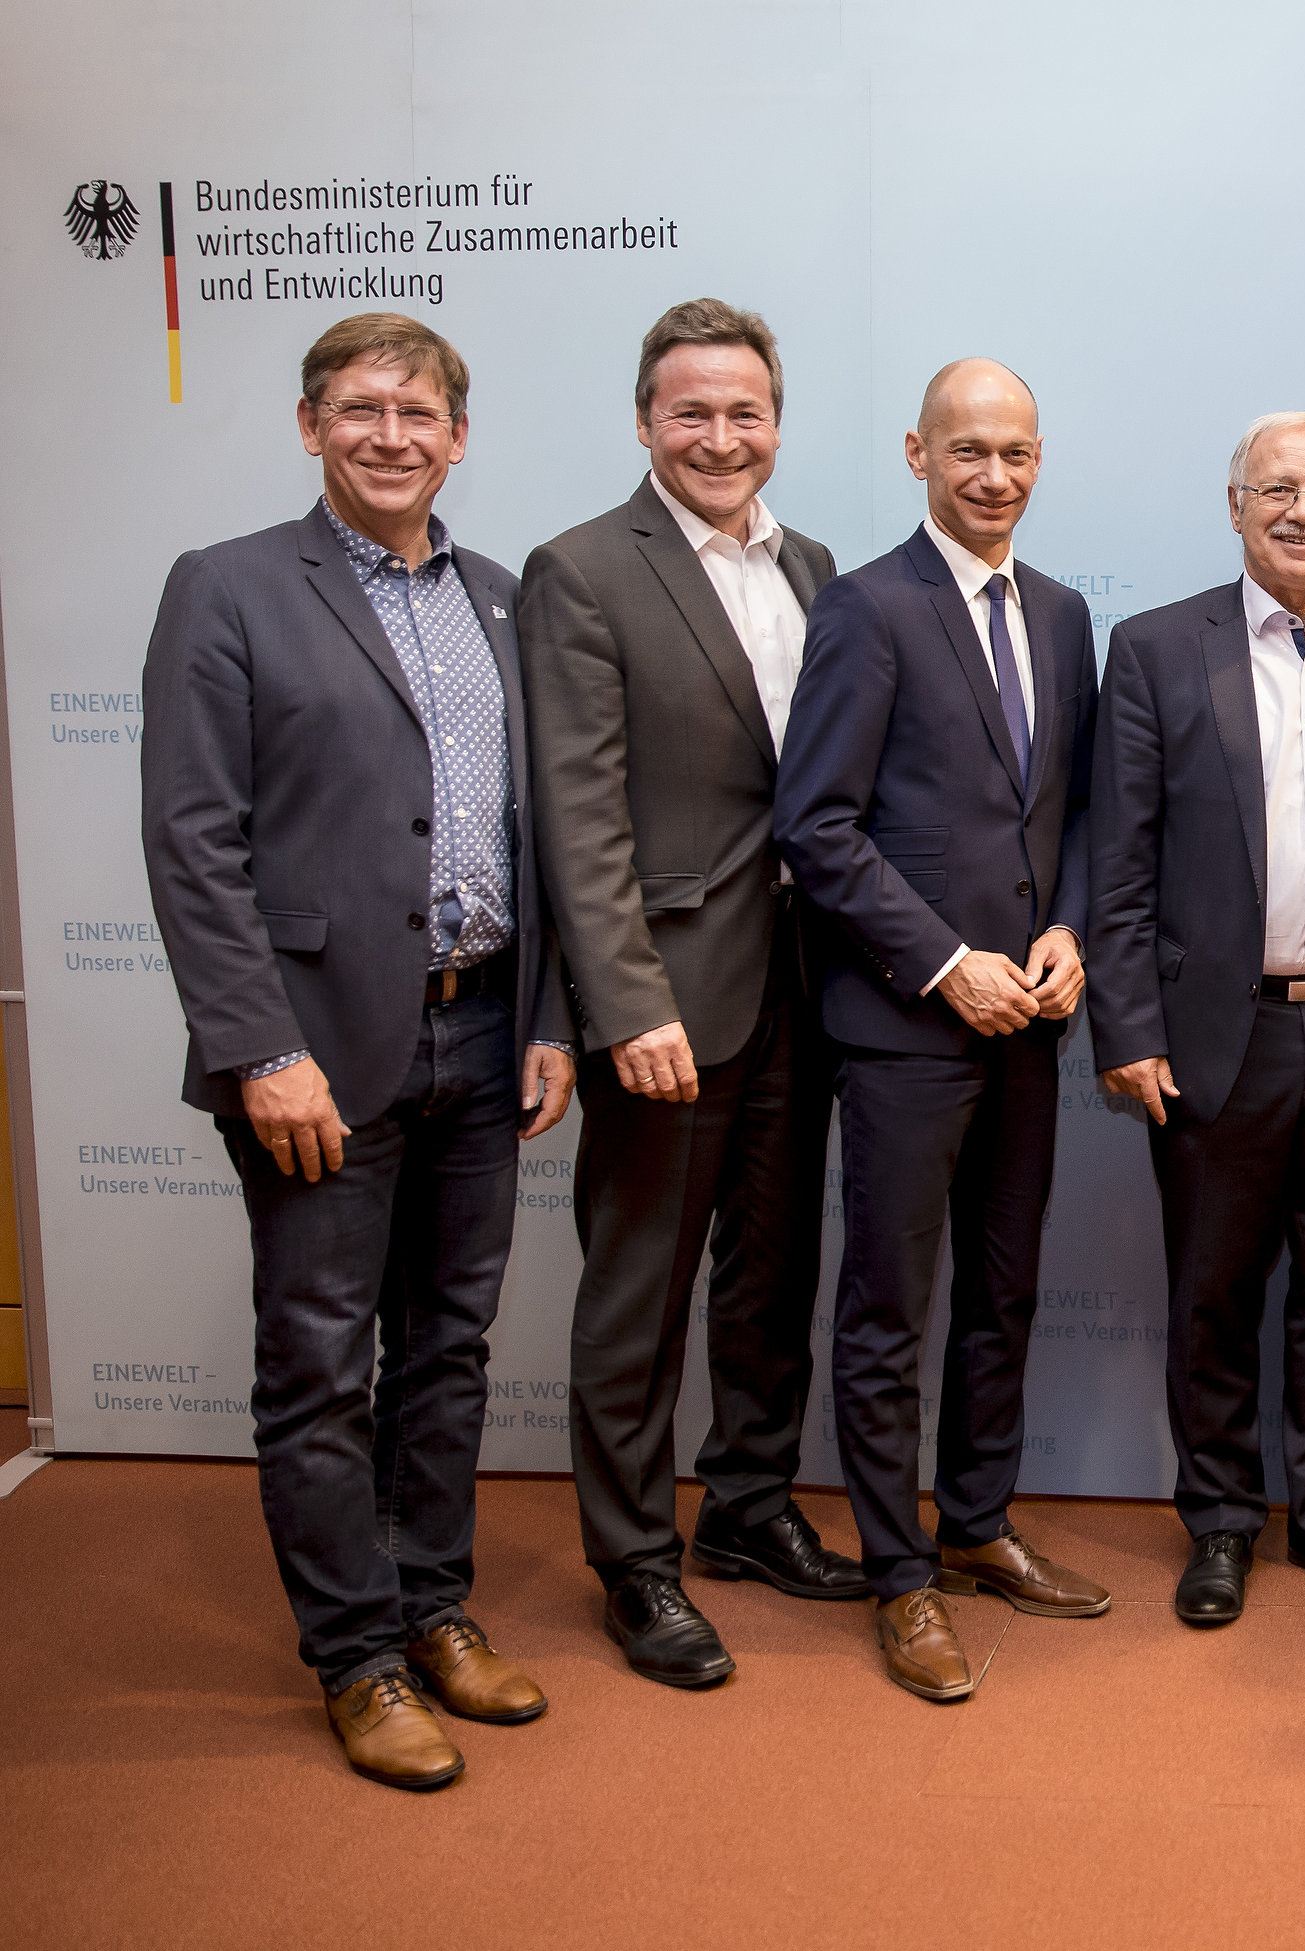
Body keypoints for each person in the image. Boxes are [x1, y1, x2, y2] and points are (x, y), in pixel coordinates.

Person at [140, 313, 577, 1788]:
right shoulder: (230, 588)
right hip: (315, 1051)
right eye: (360, 408)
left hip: (482, 1026)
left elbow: (551, 842)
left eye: (420, 412)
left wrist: (552, 1022)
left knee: (448, 1351)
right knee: (323, 1365)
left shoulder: (509, 600)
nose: (392, 434)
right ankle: (359, 1655)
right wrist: (259, 1043)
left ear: (461, 435)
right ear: (312, 424)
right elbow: (194, 842)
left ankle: (434, 1606)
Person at [522, 299, 864, 1693]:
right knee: (638, 1293)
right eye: (692, 412)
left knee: (772, 1275)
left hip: (803, 990)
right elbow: (577, 815)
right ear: (647, 420)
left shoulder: (817, 565)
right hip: (667, 1000)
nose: (721, 437)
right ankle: (634, 1558)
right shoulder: (584, 570)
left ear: (776, 421)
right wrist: (624, 1003)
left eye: (744, 412)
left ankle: (749, 1505)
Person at [774, 359, 1107, 1701]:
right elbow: (814, 824)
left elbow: (1075, 811)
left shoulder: (1067, 612)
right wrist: (943, 961)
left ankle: (976, 1520)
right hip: (907, 1026)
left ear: (1041, 459)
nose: (994, 475)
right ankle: (901, 1574)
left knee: (1007, 1287)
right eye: (967, 450)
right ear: (918, 453)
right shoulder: (865, 608)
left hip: (1032, 1024)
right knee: (889, 1307)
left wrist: (1071, 925)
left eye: (1017, 451)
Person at [1088, 413, 1305, 1627]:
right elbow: (1118, 865)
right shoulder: (1150, 649)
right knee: (1214, 1290)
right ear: (1233, 502)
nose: (1303, 511)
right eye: (1277, 490)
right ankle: (1224, 1521)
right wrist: (1127, 1030)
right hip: (1210, 1033)